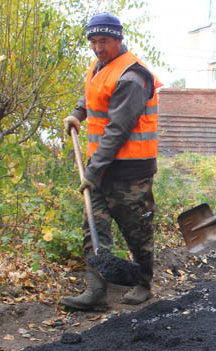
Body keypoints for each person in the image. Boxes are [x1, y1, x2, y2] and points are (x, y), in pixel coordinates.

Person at [61, 12, 162, 310]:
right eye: (93, 41)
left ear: (118, 39)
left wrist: (91, 171)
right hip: (102, 167)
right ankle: (96, 292)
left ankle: (143, 283)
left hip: (131, 172)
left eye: (103, 41)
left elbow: (117, 130)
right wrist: (78, 114)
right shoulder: (100, 65)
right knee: (94, 227)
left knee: (137, 231)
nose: (97, 47)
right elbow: (93, 95)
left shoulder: (132, 77)